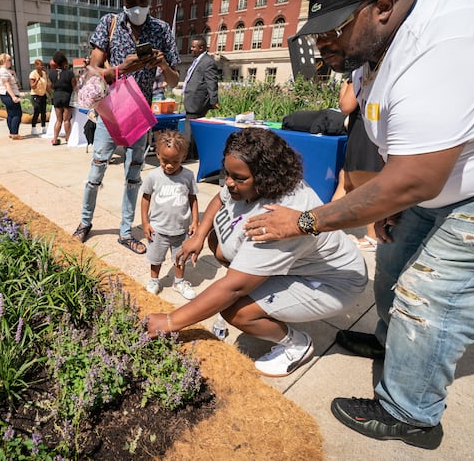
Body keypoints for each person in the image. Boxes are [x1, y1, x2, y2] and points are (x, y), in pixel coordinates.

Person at [244, 0, 474, 449]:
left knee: (433, 296)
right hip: (433, 182)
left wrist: (307, 221)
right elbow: (384, 142)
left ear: (382, 7)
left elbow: (414, 178)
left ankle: (411, 412)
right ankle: (390, 342)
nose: (322, 43)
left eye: (333, 30)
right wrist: (379, 200)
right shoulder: (373, 50)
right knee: (394, 264)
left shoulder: (445, 47)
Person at [145, 128, 367, 377]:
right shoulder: (245, 182)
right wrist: (198, 236)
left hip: (332, 282)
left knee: (235, 310)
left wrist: (171, 321)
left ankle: (296, 344)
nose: (229, 182)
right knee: (220, 247)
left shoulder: (274, 220)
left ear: (266, 177)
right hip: (301, 264)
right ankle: (272, 298)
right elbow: (220, 200)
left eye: (238, 178)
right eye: (227, 173)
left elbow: (234, 288)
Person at [71, 0, 180, 255]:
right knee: (96, 172)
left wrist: (162, 64)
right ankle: (85, 222)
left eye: (142, 1)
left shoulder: (161, 30)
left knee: (134, 176)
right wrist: (123, 68)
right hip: (112, 111)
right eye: (130, 3)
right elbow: (92, 71)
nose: (137, 8)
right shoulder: (109, 23)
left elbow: (174, 80)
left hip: (140, 115)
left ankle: (124, 232)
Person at [140, 130, 199, 300]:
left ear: (184, 156)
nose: (170, 166)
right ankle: (154, 280)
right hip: (158, 228)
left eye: (175, 161)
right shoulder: (153, 176)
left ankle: (179, 281)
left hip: (181, 229)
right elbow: (145, 199)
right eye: (165, 161)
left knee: (180, 258)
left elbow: (192, 198)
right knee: (156, 258)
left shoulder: (188, 176)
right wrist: (145, 223)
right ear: (157, 154)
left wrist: (195, 221)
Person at [330, 77, 384, 250]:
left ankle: (373, 236)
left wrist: (345, 86)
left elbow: (346, 105)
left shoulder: (358, 71)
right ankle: (327, 227)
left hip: (364, 129)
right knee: (345, 179)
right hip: (371, 127)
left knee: (364, 185)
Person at [181, 36, 219, 156]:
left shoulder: (208, 62)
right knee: (191, 128)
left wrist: (214, 101)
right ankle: (192, 152)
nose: (191, 49)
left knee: (190, 128)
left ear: (201, 48)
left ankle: (186, 153)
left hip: (197, 101)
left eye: (194, 47)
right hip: (192, 100)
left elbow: (211, 82)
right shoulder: (198, 60)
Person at [48, 50, 77, 146]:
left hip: (56, 96)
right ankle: (68, 139)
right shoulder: (69, 73)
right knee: (66, 120)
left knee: (58, 120)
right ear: (64, 61)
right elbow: (74, 86)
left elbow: (50, 86)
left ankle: (55, 139)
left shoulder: (51, 73)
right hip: (67, 96)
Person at [0, 53, 23, 140]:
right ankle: (14, 133)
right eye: (9, 60)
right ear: (4, 61)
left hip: (6, 94)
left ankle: (12, 132)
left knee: (11, 114)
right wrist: (13, 96)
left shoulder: (6, 71)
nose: (11, 62)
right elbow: (7, 84)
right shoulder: (3, 71)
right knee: (17, 113)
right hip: (8, 94)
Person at [28, 59, 49, 136]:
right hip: (35, 95)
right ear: (36, 66)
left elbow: (46, 85)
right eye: (40, 65)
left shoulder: (44, 73)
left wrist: (50, 94)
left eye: (42, 65)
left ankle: (43, 127)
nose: (42, 66)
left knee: (43, 112)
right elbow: (32, 86)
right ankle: (33, 128)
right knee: (37, 110)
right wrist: (37, 81)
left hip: (43, 95)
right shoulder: (33, 74)